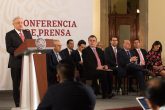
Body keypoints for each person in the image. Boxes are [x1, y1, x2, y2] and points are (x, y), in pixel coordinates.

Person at [5, 16, 32, 107]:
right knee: (16, 85)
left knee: (28, 83)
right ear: (13, 24)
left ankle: (28, 101)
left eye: (22, 22)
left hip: (28, 63)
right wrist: (19, 52)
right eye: (18, 23)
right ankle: (18, 104)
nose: (20, 24)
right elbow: (9, 48)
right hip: (16, 63)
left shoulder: (27, 33)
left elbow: (31, 45)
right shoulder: (9, 34)